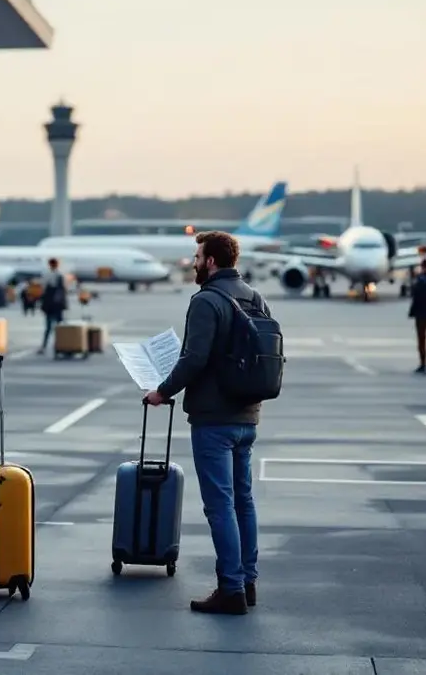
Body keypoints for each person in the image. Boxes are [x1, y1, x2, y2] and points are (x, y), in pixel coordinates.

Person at [143, 231, 266, 616]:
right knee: (243, 501)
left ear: (211, 261)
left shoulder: (206, 300)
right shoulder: (254, 297)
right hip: (247, 414)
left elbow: (194, 358)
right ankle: (247, 582)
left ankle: (230, 588)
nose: (194, 262)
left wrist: (162, 392)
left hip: (214, 418)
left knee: (220, 505)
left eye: (197, 256)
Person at [37, 258, 68, 353]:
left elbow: (43, 288)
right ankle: (62, 345)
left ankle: (44, 346)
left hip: (49, 304)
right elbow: (62, 290)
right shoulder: (59, 275)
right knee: (59, 326)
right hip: (56, 305)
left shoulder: (47, 275)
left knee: (49, 327)